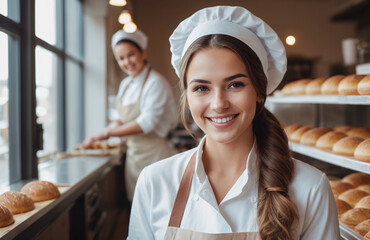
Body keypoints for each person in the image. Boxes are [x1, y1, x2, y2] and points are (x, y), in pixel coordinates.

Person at [127, 6, 339, 240]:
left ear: (259, 91)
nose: (219, 104)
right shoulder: (155, 182)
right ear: (187, 96)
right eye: (201, 88)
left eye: (235, 84)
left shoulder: (310, 188)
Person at [81, 29, 177, 202]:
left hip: (156, 155)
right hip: (134, 157)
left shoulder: (156, 83)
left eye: (131, 54)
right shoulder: (125, 84)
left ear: (143, 53)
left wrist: (104, 134)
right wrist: (99, 138)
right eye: (121, 58)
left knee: (160, 205)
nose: (127, 62)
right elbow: (118, 119)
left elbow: (146, 123)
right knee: (137, 206)